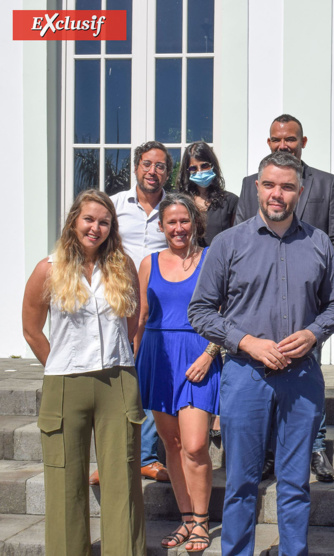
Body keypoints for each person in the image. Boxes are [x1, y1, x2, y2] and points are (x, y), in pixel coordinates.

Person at [188, 151, 334, 555]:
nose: (278, 194)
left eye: (287, 186)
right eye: (270, 185)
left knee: (295, 482)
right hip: (245, 375)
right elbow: (200, 310)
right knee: (241, 481)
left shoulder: (319, 243)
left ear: (301, 190)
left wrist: (313, 334)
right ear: (258, 187)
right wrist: (245, 341)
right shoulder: (228, 243)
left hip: (301, 376)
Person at [22, 189, 145, 555]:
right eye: (89, 219)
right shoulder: (49, 267)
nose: (96, 228)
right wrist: (59, 363)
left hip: (117, 381)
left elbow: (135, 321)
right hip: (65, 384)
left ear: (112, 227)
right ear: (74, 220)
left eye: (104, 221)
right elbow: (31, 329)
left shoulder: (122, 264)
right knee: (64, 482)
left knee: (122, 479)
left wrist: (127, 356)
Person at [234, 114, 334, 483]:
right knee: (264, 377)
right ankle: (268, 450)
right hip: (263, 301)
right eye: (277, 140)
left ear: (303, 141)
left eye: (291, 139)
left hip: (309, 297)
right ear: (269, 143)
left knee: (307, 373)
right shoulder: (250, 183)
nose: (284, 145)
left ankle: (314, 445)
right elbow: (240, 233)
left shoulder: (326, 183)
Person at [135, 193, 222, 551]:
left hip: (198, 355)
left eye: (184, 221)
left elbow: (223, 312)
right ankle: (187, 521)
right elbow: (140, 316)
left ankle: (202, 521)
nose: (178, 228)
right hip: (158, 358)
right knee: (170, 443)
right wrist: (133, 360)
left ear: (195, 224)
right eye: (171, 222)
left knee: (196, 444)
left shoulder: (210, 259)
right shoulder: (148, 263)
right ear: (161, 226)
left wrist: (209, 354)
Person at [104, 141, 173, 485]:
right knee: (116, 378)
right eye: (147, 164)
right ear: (136, 168)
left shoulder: (173, 209)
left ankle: (145, 457)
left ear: (167, 172)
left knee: (145, 378)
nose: (152, 171)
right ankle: (110, 460)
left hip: (159, 308)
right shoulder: (115, 205)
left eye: (160, 166)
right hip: (119, 303)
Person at [176, 141, 239, 246]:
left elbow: (236, 237)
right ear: (187, 171)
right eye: (193, 168)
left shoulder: (230, 201)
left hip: (220, 260)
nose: (199, 171)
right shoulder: (180, 201)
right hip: (188, 260)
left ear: (213, 165)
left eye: (204, 166)